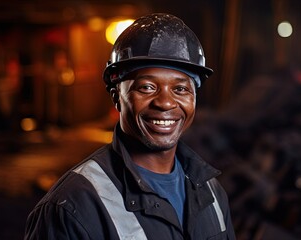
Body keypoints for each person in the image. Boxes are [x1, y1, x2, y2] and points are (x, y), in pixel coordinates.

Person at [24, 13, 236, 240]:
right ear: (117, 97)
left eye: (181, 89)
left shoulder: (211, 192)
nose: (165, 102)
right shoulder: (73, 205)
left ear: (194, 98)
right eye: (146, 87)